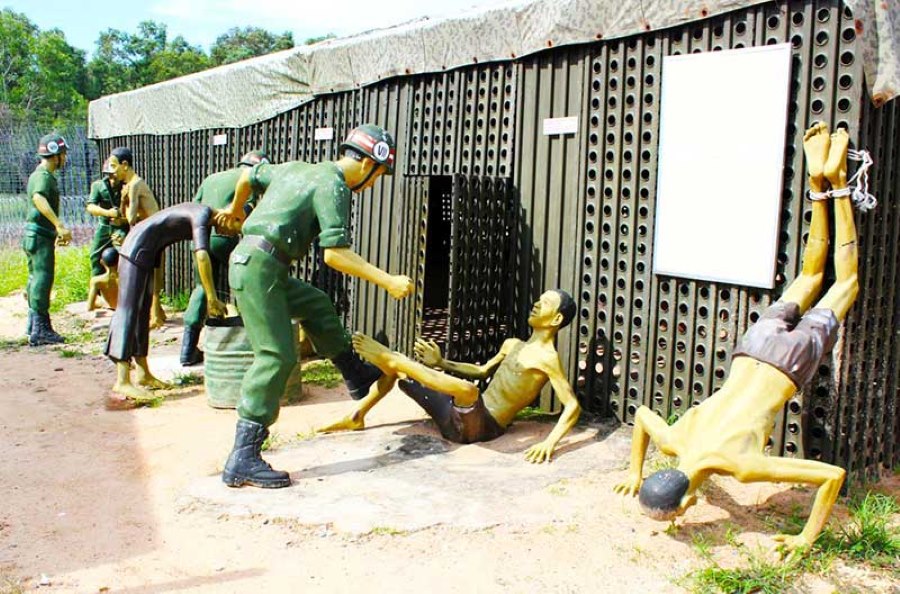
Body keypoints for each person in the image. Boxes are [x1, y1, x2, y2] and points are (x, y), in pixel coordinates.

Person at [613, 123, 861, 558]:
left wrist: (805, 538)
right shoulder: (673, 441)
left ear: (689, 501)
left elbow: (832, 475)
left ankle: (837, 182)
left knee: (846, 284)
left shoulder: (743, 468)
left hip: (787, 363)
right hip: (753, 347)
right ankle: (816, 181)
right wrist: (636, 472)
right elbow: (643, 417)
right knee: (809, 276)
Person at [219, 123, 413, 489]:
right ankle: (243, 456)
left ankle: (354, 373)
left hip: (261, 265)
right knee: (276, 356)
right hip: (260, 269)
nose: (372, 185)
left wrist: (236, 211)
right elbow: (335, 256)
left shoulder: (296, 167)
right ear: (369, 163)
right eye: (377, 176)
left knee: (316, 303)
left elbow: (248, 174)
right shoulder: (334, 185)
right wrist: (388, 281)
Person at [319, 290, 582, 464]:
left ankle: (398, 358)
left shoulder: (548, 359)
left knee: (469, 392)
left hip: (481, 428)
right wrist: (442, 362)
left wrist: (550, 443)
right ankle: (358, 416)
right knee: (404, 374)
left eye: (545, 303)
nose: (536, 303)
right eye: (538, 299)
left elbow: (572, 406)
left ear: (556, 318)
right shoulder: (512, 344)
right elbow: (481, 371)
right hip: (453, 417)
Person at [106, 202, 239, 401]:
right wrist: (211, 297)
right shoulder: (202, 215)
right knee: (129, 309)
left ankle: (143, 374)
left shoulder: (204, 216)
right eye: (235, 229)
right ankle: (122, 381)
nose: (230, 234)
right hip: (135, 247)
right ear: (229, 217)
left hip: (148, 252)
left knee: (141, 313)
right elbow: (201, 256)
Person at [180, 150, 270, 366]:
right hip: (224, 236)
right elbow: (245, 211)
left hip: (201, 236)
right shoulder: (247, 179)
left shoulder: (212, 178)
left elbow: (195, 206)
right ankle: (245, 342)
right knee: (242, 284)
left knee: (202, 288)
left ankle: (187, 351)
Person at [107, 147, 166, 328]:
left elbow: (130, 218)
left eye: (114, 166)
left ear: (125, 165)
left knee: (152, 274)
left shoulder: (134, 185)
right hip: (152, 231)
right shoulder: (132, 184)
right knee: (153, 273)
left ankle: (155, 316)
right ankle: (158, 313)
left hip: (153, 232)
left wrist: (124, 201)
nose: (113, 171)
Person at [23, 133, 72, 346]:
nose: (65, 158)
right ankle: (41, 329)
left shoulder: (39, 174)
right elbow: (38, 198)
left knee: (35, 278)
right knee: (42, 279)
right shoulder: (43, 176)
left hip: (36, 234)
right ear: (55, 155)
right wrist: (58, 225)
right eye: (63, 154)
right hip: (40, 234)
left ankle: (33, 324)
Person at [86, 158, 128, 290]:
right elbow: (90, 207)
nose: (112, 179)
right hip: (104, 227)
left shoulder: (127, 186)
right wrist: (107, 212)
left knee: (124, 255)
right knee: (95, 255)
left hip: (121, 228)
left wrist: (123, 219)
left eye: (114, 175)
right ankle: (98, 291)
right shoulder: (98, 186)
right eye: (109, 175)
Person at [87, 247, 120, 311]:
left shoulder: (96, 281)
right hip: (125, 307)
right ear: (119, 261)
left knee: (98, 299)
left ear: (102, 262)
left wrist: (102, 303)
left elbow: (90, 307)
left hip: (110, 306)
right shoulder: (127, 278)